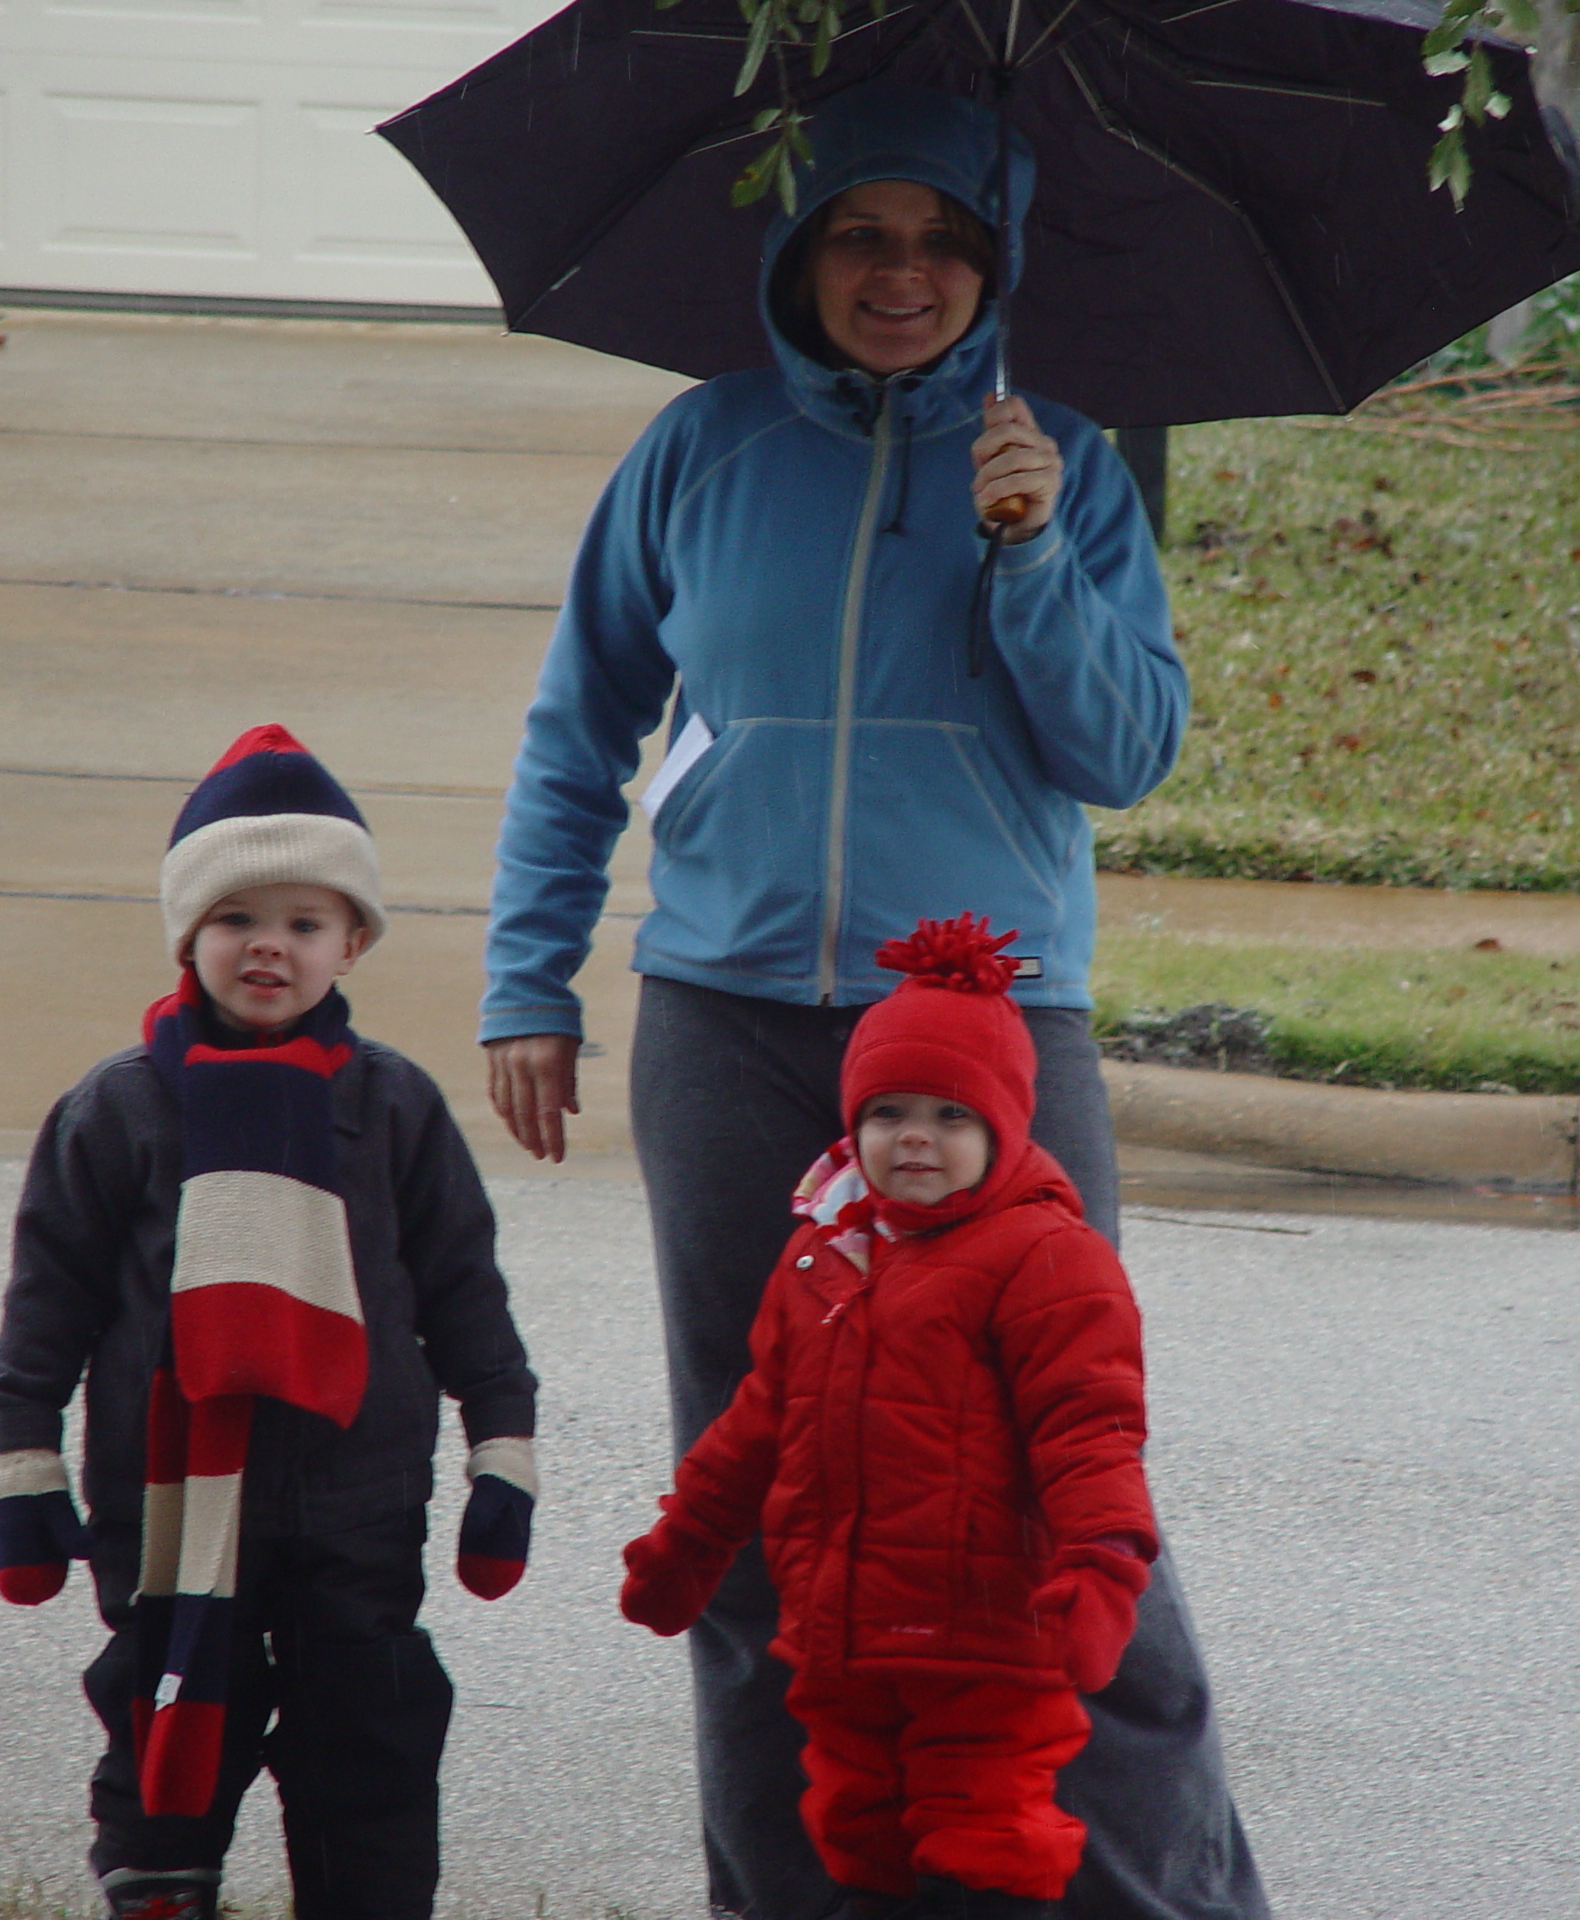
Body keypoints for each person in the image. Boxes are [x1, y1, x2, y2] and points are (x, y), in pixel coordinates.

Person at [481, 80, 1264, 1920]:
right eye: (859, 232)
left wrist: (1031, 550)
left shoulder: (1057, 453)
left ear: (993, 266)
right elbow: (580, 726)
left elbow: (1125, 748)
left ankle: (1163, 1896)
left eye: (939, 240)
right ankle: (800, 1895)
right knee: (770, 1500)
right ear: (797, 248)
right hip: (730, 1025)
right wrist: (533, 974)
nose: (898, 274)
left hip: (989, 1031)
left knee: (1068, 1501)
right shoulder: (701, 451)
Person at [0, 724, 540, 1920]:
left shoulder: (392, 1109)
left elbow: (461, 1290)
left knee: (369, 1726)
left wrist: (505, 1448)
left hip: (358, 1497)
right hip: (172, 1502)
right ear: (190, 937)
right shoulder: (122, 1108)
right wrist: (21, 1467)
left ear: (352, 941)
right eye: (238, 919)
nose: (269, 948)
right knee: (170, 1708)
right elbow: (51, 1299)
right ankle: (162, 1888)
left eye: (304, 921)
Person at [619, 915, 1162, 1920]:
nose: (915, 1136)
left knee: (984, 1847)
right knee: (857, 1847)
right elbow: (753, 1427)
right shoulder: (826, 1252)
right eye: (889, 1111)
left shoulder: (1045, 1258)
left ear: (1006, 1126)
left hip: (984, 1646)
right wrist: (685, 1542)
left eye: (951, 1116)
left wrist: (1100, 1567)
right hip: (844, 1644)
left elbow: (1089, 1433)